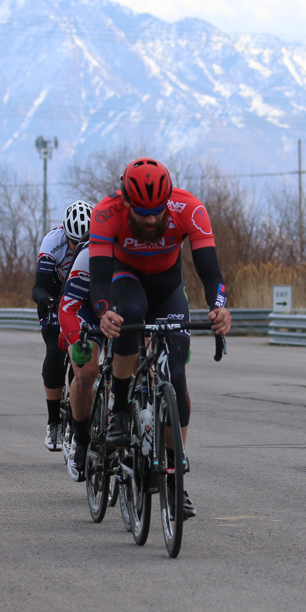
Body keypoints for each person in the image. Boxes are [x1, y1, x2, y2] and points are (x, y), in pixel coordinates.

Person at [88, 157, 231, 518]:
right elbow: (100, 278)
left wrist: (219, 307)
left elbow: (211, 272)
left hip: (168, 288)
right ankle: (120, 410)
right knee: (130, 314)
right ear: (126, 201)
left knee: (176, 374)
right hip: (126, 280)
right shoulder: (107, 212)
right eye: (142, 212)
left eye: (157, 211)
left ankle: (173, 477)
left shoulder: (189, 208)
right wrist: (105, 310)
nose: (150, 219)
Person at [32, 200, 94, 451]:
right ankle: (53, 421)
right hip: (55, 297)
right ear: (65, 235)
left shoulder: (100, 241)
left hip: (84, 295)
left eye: (84, 242)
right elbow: (38, 286)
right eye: (73, 243)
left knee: (83, 354)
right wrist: (46, 301)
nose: (78, 247)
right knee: (56, 351)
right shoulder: (53, 242)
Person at [55, 245, 100, 481]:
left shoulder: (145, 248)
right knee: (85, 373)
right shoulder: (89, 254)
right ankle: (81, 440)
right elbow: (68, 307)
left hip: (127, 311)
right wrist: (74, 339)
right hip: (89, 312)